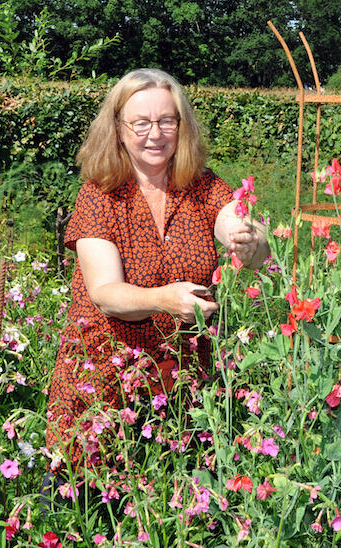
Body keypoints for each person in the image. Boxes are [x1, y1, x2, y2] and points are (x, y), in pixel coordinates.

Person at [45, 68, 268, 458]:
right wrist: (164, 299)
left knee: (178, 486)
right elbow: (105, 294)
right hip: (102, 379)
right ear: (118, 129)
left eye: (167, 121)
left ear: (182, 126)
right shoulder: (100, 195)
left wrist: (248, 238)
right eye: (141, 123)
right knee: (88, 489)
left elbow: (234, 220)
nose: (155, 133)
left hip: (181, 382)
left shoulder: (202, 184)